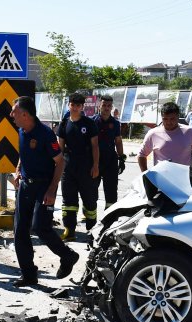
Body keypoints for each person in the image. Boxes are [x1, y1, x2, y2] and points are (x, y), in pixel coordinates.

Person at [9, 96, 79, 287]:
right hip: (25, 187)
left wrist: (52, 190)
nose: (11, 115)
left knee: (40, 227)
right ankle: (28, 274)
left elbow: (60, 162)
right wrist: (17, 170)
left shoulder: (45, 134)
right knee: (20, 231)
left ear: (25, 114)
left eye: (14, 111)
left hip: (43, 187)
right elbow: (23, 155)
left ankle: (67, 256)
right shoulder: (21, 130)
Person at [57, 92, 100, 240]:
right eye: (72, 105)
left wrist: (95, 165)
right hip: (68, 167)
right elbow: (60, 148)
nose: (75, 108)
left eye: (78, 105)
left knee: (89, 200)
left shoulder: (89, 124)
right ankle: (69, 230)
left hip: (86, 166)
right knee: (68, 201)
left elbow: (95, 146)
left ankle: (92, 230)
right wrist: (57, 168)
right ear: (69, 105)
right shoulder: (64, 124)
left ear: (82, 107)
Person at [139, 101, 192, 173]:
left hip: (184, 179)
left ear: (178, 117)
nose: (168, 122)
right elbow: (141, 155)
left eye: (172, 119)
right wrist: (146, 175)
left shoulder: (190, 132)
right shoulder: (153, 133)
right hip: (161, 179)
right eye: (165, 119)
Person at [95, 94, 125, 210]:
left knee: (111, 190)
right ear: (99, 106)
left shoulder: (115, 123)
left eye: (109, 105)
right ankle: (89, 216)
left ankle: (110, 218)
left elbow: (118, 141)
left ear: (111, 107)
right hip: (95, 160)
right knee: (91, 189)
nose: (106, 108)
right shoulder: (92, 122)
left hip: (110, 160)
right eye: (104, 105)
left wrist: (121, 159)